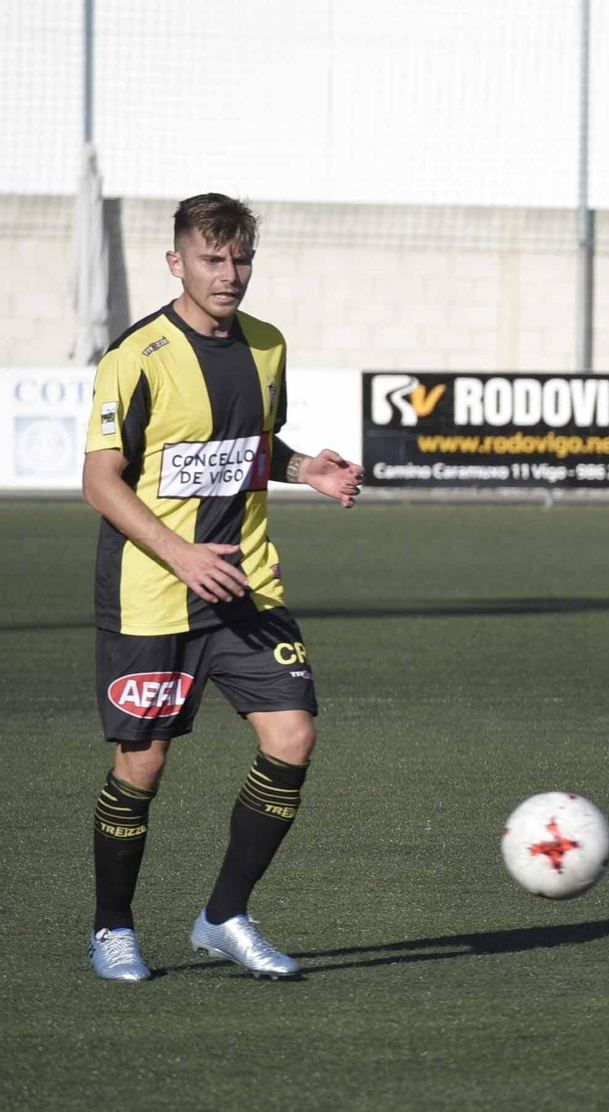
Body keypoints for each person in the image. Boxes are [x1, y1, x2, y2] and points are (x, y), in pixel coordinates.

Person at [82, 193, 363, 981]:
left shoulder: (267, 346)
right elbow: (99, 480)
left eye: (240, 258)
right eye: (212, 259)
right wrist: (179, 552)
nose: (229, 274)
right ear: (177, 262)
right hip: (152, 592)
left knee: (293, 736)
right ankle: (112, 928)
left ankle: (224, 915)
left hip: (245, 585)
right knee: (143, 766)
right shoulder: (136, 356)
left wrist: (306, 467)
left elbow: (248, 445)